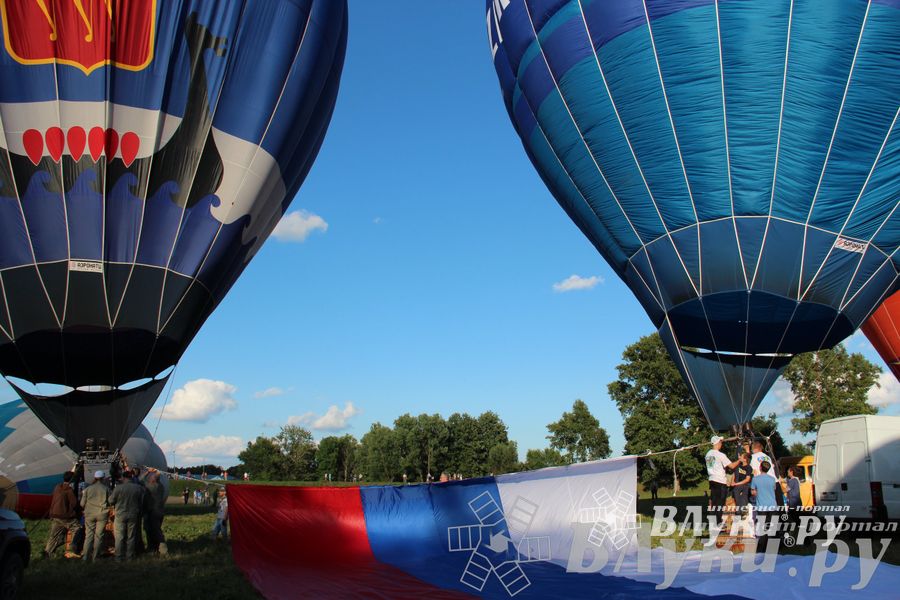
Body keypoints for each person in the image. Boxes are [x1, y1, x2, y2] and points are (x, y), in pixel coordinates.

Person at [43, 471, 83, 559]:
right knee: (78, 529)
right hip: (65, 517)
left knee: (54, 536)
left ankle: (47, 552)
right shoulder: (69, 490)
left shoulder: (57, 487)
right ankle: (73, 547)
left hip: (55, 515)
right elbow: (74, 504)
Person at [109, 470, 146, 561]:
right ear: (131, 477)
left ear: (123, 477)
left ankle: (119, 556)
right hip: (133, 514)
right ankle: (130, 556)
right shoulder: (138, 488)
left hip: (120, 514)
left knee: (119, 536)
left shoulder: (118, 488)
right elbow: (142, 501)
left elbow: (111, 501)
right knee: (131, 536)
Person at [705, 436, 740, 525]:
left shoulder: (708, 454)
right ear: (718, 443)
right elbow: (731, 466)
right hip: (720, 481)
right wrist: (739, 460)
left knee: (715, 502)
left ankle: (714, 521)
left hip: (712, 480)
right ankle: (718, 522)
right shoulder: (720, 455)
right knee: (720, 502)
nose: (721, 444)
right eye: (721, 442)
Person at [80, 471, 109, 562]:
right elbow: (111, 501)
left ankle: (85, 557)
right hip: (102, 513)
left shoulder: (88, 489)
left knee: (88, 536)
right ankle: (95, 557)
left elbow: (82, 503)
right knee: (99, 536)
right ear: (103, 478)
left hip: (89, 514)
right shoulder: (106, 489)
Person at [750, 461, 779, 550]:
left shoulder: (755, 479)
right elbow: (774, 488)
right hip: (772, 506)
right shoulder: (772, 479)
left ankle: (762, 547)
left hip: (762, 506)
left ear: (760, 467)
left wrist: (758, 492)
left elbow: (753, 492)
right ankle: (773, 547)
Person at [144, 472, 168, 555]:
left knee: (156, 530)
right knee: (152, 530)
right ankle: (153, 548)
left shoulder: (151, 487)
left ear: (153, 480)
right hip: (160, 511)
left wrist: (146, 473)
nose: (149, 479)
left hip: (153, 512)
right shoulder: (161, 486)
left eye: (150, 478)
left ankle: (163, 549)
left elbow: (141, 482)